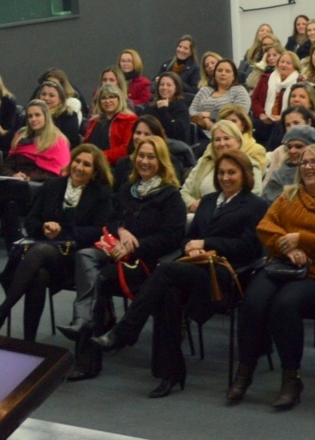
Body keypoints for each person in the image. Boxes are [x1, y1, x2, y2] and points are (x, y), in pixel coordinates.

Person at [90, 151, 271, 396]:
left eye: (232, 172)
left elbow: (249, 249)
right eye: (221, 172)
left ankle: (124, 332)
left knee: (165, 271)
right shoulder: (208, 201)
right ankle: (171, 373)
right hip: (192, 268)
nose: (226, 177)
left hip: (226, 275)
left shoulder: (256, 205)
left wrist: (206, 243)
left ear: (245, 175)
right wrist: (191, 246)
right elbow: (188, 237)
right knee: (168, 293)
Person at [227, 142, 315, 410]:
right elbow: (266, 228)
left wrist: (303, 239)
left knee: (284, 307)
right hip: (282, 264)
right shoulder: (289, 196)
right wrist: (288, 247)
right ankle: (244, 372)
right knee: (253, 302)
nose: (309, 167)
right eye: (305, 163)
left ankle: (292, 379)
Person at [60, 137, 185, 380]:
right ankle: (83, 319)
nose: (144, 161)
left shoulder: (171, 196)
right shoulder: (127, 189)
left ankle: (87, 359)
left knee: (98, 279)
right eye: (141, 156)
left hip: (145, 262)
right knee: (84, 255)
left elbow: (172, 238)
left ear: (161, 161)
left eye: (151, 157)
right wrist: (121, 232)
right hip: (114, 249)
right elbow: (111, 220)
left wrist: (133, 247)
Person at [0, 146, 113, 337]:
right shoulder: (52, 186)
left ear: (95, 171)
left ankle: (1, 312)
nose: (79, 167)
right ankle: (28, 343)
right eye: (77, 161)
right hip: (45, 257)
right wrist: (44, 228)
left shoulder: (101, 193)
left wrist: (62, 230)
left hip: (77, 259)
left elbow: (98, 231)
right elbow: (30, 221)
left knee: (40, 251)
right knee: (39, 275)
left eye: (87, 164)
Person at [181, 120, 265, 205]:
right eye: (217, 139)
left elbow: (253, 199)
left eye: (227, 138)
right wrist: (192, 204)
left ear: (238, 141)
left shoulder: (250, 165)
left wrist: (210, 208)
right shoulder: (204, 161)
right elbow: (184, 192)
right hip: (196, 214)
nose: (222, 143)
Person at [5, 100, 72, 178]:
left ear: (46, 117)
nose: (33, 119)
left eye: (37, 115)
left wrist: (29, 178)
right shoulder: (20, 137)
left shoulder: (58, 141)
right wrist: (13, 175)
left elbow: (57, 172)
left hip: (41, 185)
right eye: (30, 116)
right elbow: (6, 166)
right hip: (16, 182)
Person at [189, 58, 251, 135]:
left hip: (229, 133)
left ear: (234, 76)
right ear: (214, 74)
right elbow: (191, 111)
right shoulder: (205, 90)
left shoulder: (239, 91)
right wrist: (204, 120)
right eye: (219, 70)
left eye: (227, 71)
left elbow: (240, 114)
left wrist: (211, 115)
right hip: (200, 131)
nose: (223, 74)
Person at [82, 85, 139, 163]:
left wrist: (99, 157)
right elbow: (86, 143)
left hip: (113, 165)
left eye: (111, 97)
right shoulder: (95, 120)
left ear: (119, 99)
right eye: (103, 98)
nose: (107, 101)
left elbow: (126, 149)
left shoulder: (129, 119)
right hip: (91, 162)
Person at [146, 71, 194, 143]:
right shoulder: (151, 107)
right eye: (161, 84)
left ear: (176, 88)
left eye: (169, 85)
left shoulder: (181, 109)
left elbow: (176, 134)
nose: (164, 87)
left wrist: (163, 110)